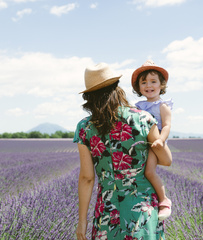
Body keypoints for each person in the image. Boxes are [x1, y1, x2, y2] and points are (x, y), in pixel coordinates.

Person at [73, 62, 172, 240]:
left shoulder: (84, 127)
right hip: (142, 211)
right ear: (117, 88)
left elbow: (87, 178)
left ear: (89, 96)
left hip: (107, 211)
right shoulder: (143, 118)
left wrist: (82, 222)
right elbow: (166, 160)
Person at [131, 60, 173, 221]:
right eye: (144, 82)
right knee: (140, 173)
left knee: (149, 172)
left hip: (155, 143)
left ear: (161, 85)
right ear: (139, 88)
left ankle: (164, 200)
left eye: (153, 81)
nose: (148, 85)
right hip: (143, 143)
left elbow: (167, 126)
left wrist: (161, 140)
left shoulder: (162, 105)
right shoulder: (139, 105)